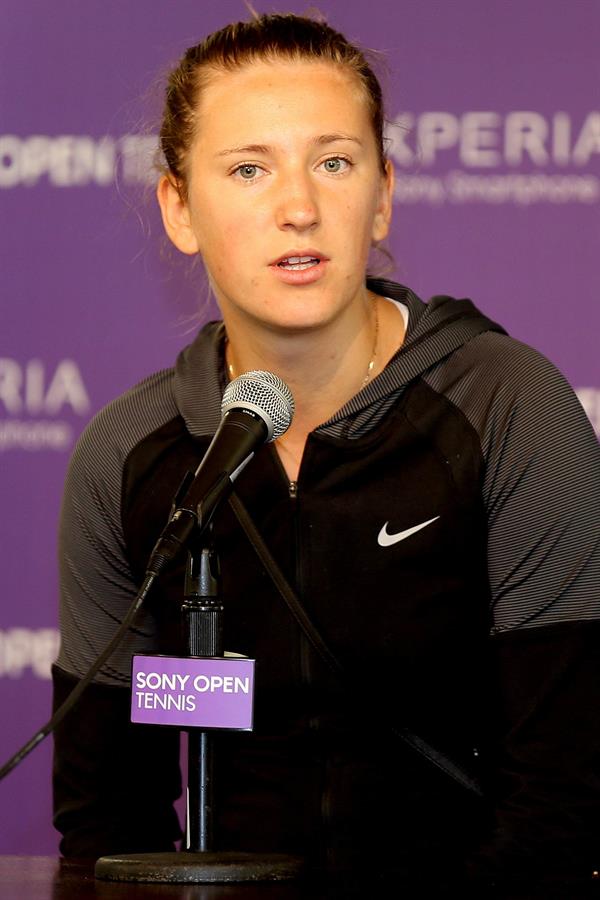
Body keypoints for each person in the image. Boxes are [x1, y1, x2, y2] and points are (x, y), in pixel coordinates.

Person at [52, 11, 600, 896]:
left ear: (382, 194)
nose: (298, 206)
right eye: (248, 169)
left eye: (335, 162)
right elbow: (105, 824)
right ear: (179, 208)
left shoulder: (507, 405)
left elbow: (564, 797)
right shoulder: (127, 452)